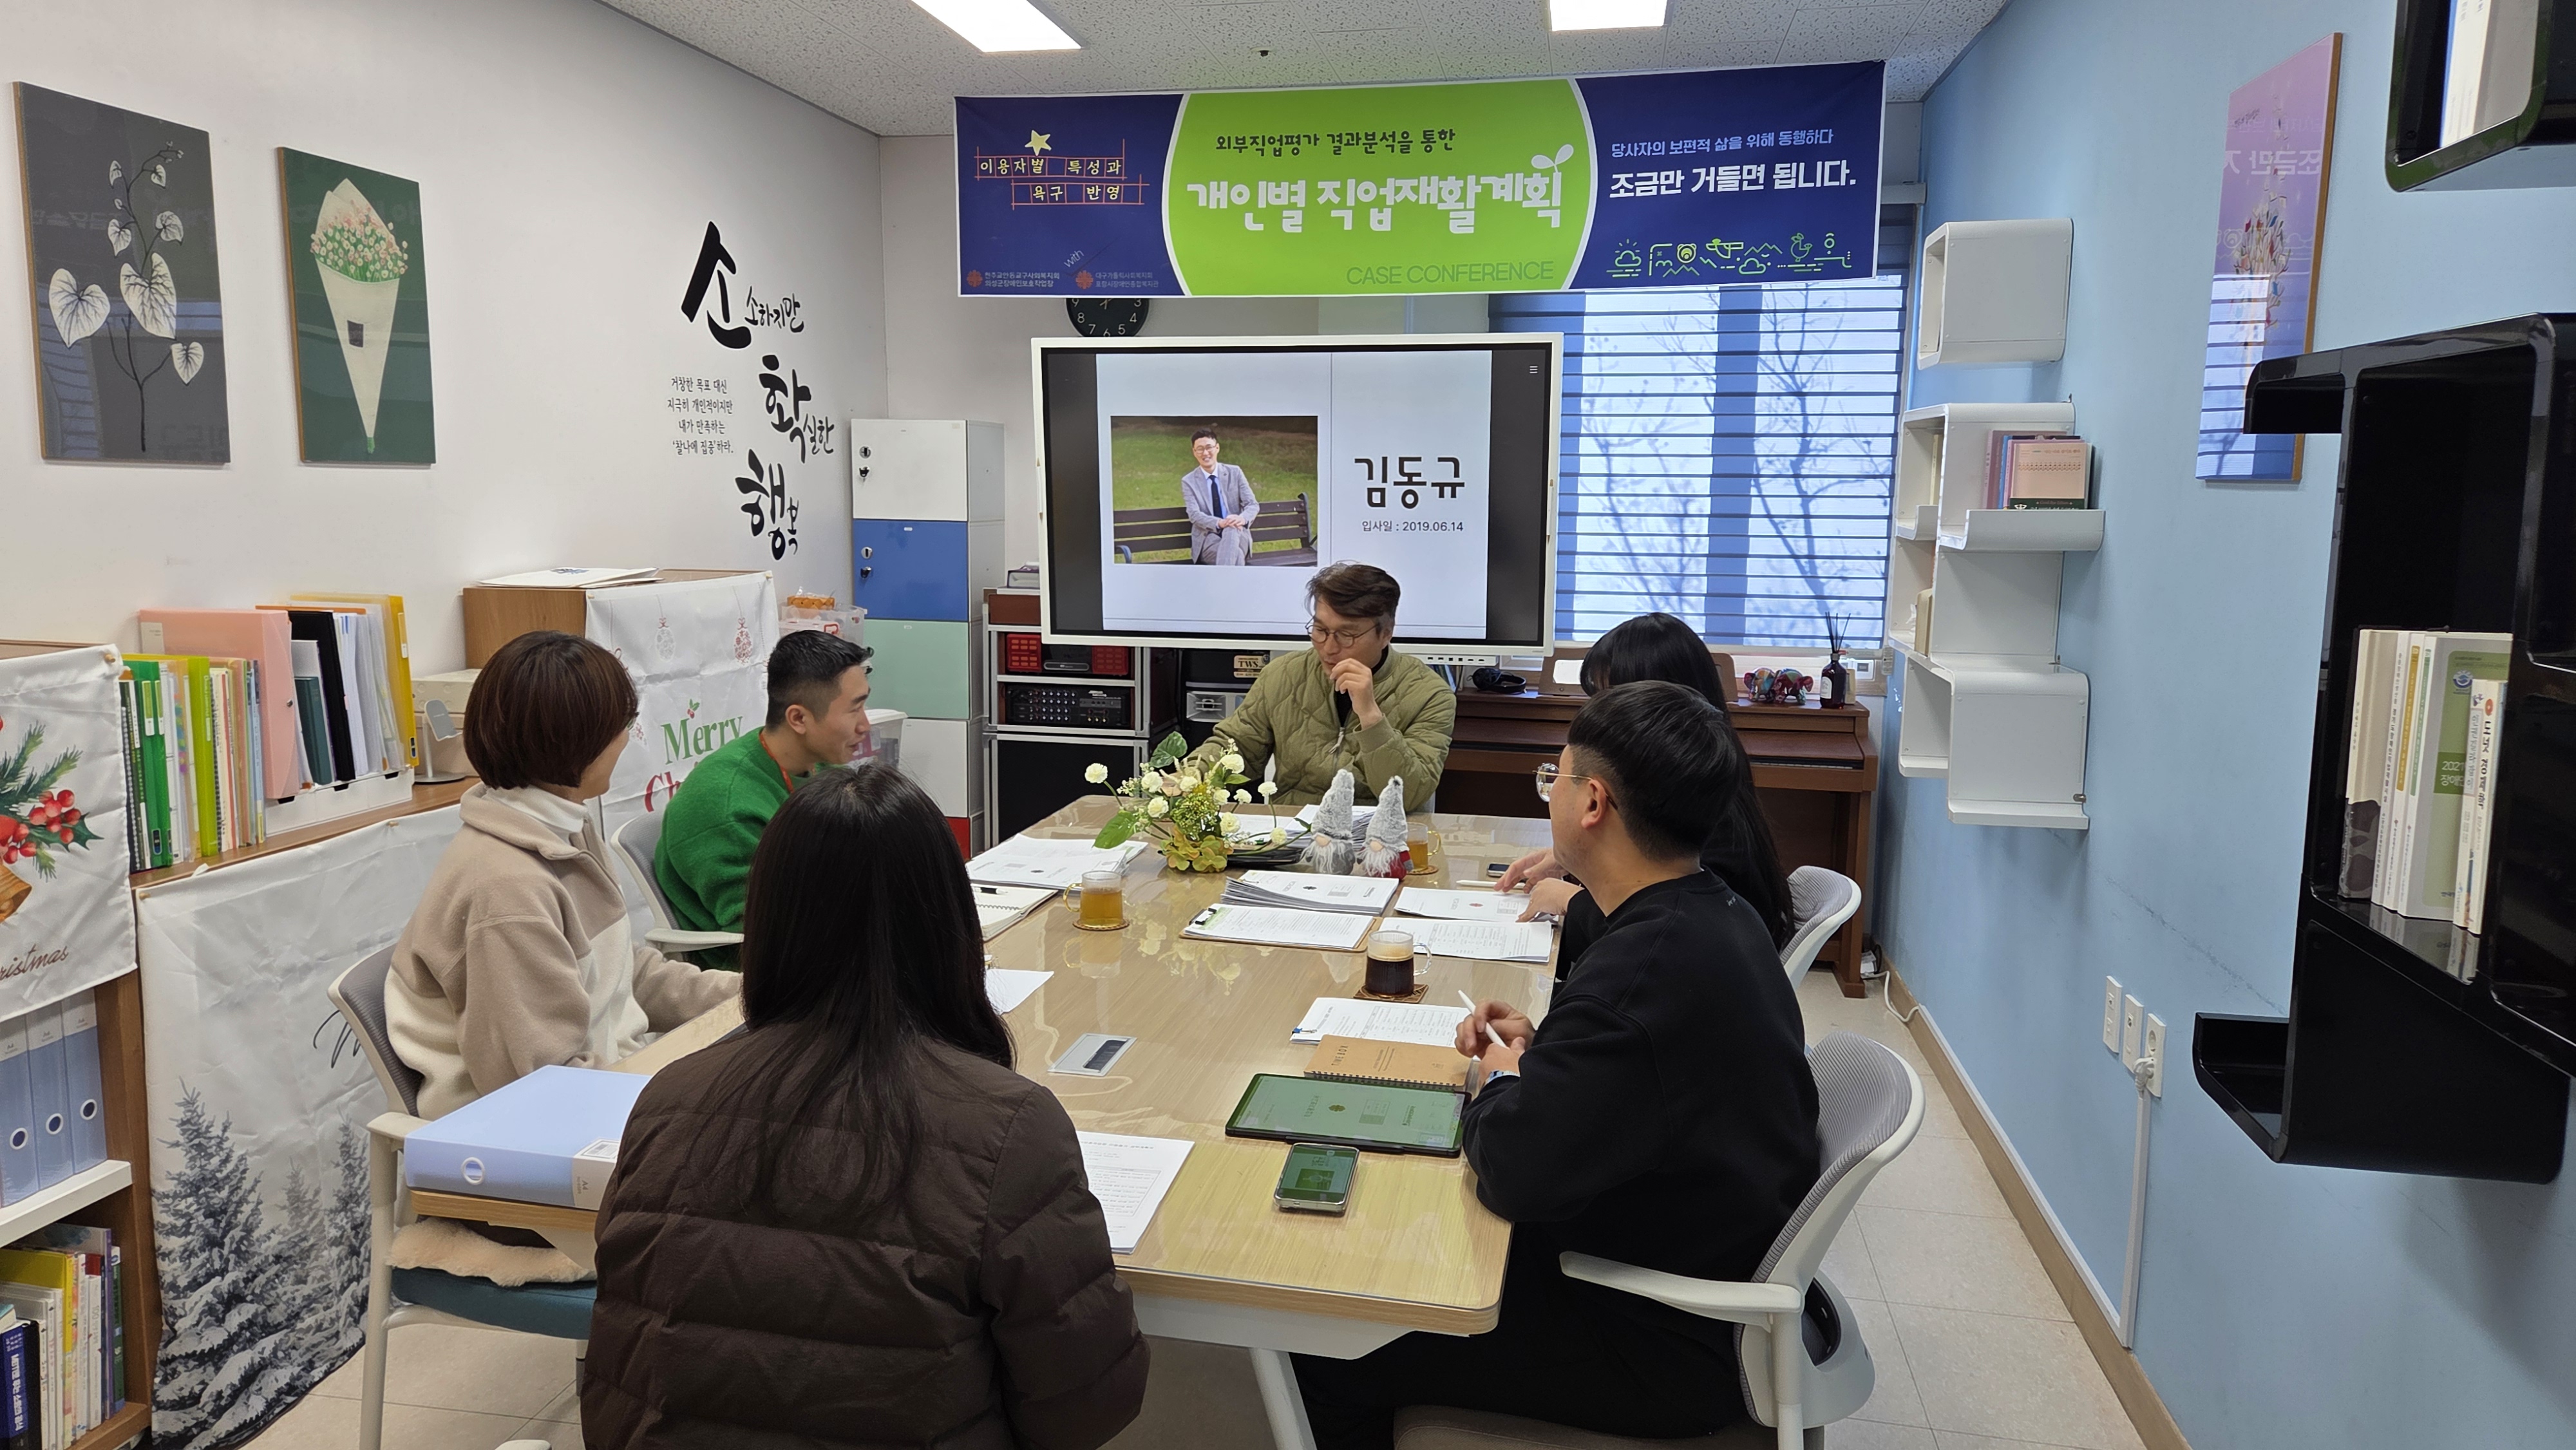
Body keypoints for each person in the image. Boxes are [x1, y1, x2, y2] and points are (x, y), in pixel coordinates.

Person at [1293, 682, 1821, 1449]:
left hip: (1655, 1336)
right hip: (1695, 1267)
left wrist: (1498, 1078)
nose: (1551, 795)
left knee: (1334, 1335)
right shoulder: (1713, 913)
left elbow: (1514, 1169)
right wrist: (1546, 1051)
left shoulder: (1638, 973)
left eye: (1556, 777)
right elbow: (1640, 1074)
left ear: (1593, 802)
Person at [585, 765, 1149, 1450]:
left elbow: (622, 1365)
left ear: (767, 920)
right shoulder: (1007, 1125)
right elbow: (1084, 1403)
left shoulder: (667, 1098)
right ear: (949, 919)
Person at [384, 630, 742, 1283]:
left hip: (598, 1113)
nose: (628, 738)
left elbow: (623, 973)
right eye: (620, 726)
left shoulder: (560, 828)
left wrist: (752, 996)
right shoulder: (507, 888)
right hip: (529, 1172)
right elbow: (543, 1090)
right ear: (576, 741)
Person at [1498, 612, 1795, 974]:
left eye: (1612, 698)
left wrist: (1573, 902)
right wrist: (1572, 856)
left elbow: (1675, 932)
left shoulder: (1704, 815)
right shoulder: (1703, 776)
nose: (1601, 714)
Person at [654, 628, 873, 968]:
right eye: (853, 710)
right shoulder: (727, 804)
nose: (866, 725)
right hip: (761, 977)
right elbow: (764, 932)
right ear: (798, 718)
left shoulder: (820, 766)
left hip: (829, 939)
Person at [1184, 561, 1456, 805]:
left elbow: (1411, 795)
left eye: (1347, 635)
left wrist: (1371, 717)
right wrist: (1190, 776)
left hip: (1376, 840)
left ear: (1386, 634)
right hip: (1291, 835)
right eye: (1320, 630)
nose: (1328, 647)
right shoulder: (1283, 674)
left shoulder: (1430, 695)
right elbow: (1237, 746)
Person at [1180, 427, 1260, 565]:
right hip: (1208, 538)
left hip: (1239, 534)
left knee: (1232, 529)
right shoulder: (1189, 481)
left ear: (1217, 448)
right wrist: (1219, 523)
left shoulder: (1235, 473)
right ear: (1194, 452)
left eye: (1209, 447)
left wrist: (1241, 519)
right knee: (1237, 556)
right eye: (1200, 449)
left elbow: (1252, 504)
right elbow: (1194, 514)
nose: (1205, 453)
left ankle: (1224, 583)